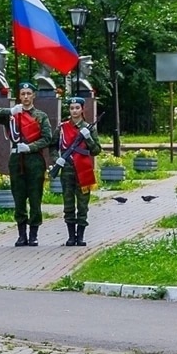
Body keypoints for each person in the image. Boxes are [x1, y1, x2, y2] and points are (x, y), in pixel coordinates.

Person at [0, 85, 49, 246]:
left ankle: (33, 233)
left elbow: (47, 138)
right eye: (23, 94)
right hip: (16, 159)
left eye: (29, 94)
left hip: (34, 160)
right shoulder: (13, 115)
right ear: (19, 96)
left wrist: (30, 147)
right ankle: (22, 234)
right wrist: (10, 111)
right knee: (19, 197)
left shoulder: (41, 116)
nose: (26, 97)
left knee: (35, 198)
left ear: (34, 95)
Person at [55, 90, 100, 246]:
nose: (74, 111)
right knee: (68, 203)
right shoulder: (62, 128)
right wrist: (58, 160)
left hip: (84, 170)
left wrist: (88, 137)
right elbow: (53, 147)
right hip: (67, 170)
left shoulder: (89, 128)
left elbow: (96, 150)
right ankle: (70, 236)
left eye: (77, 108)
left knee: (82, 204)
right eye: (72, 108)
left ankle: (80, 236)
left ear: (82, 109)